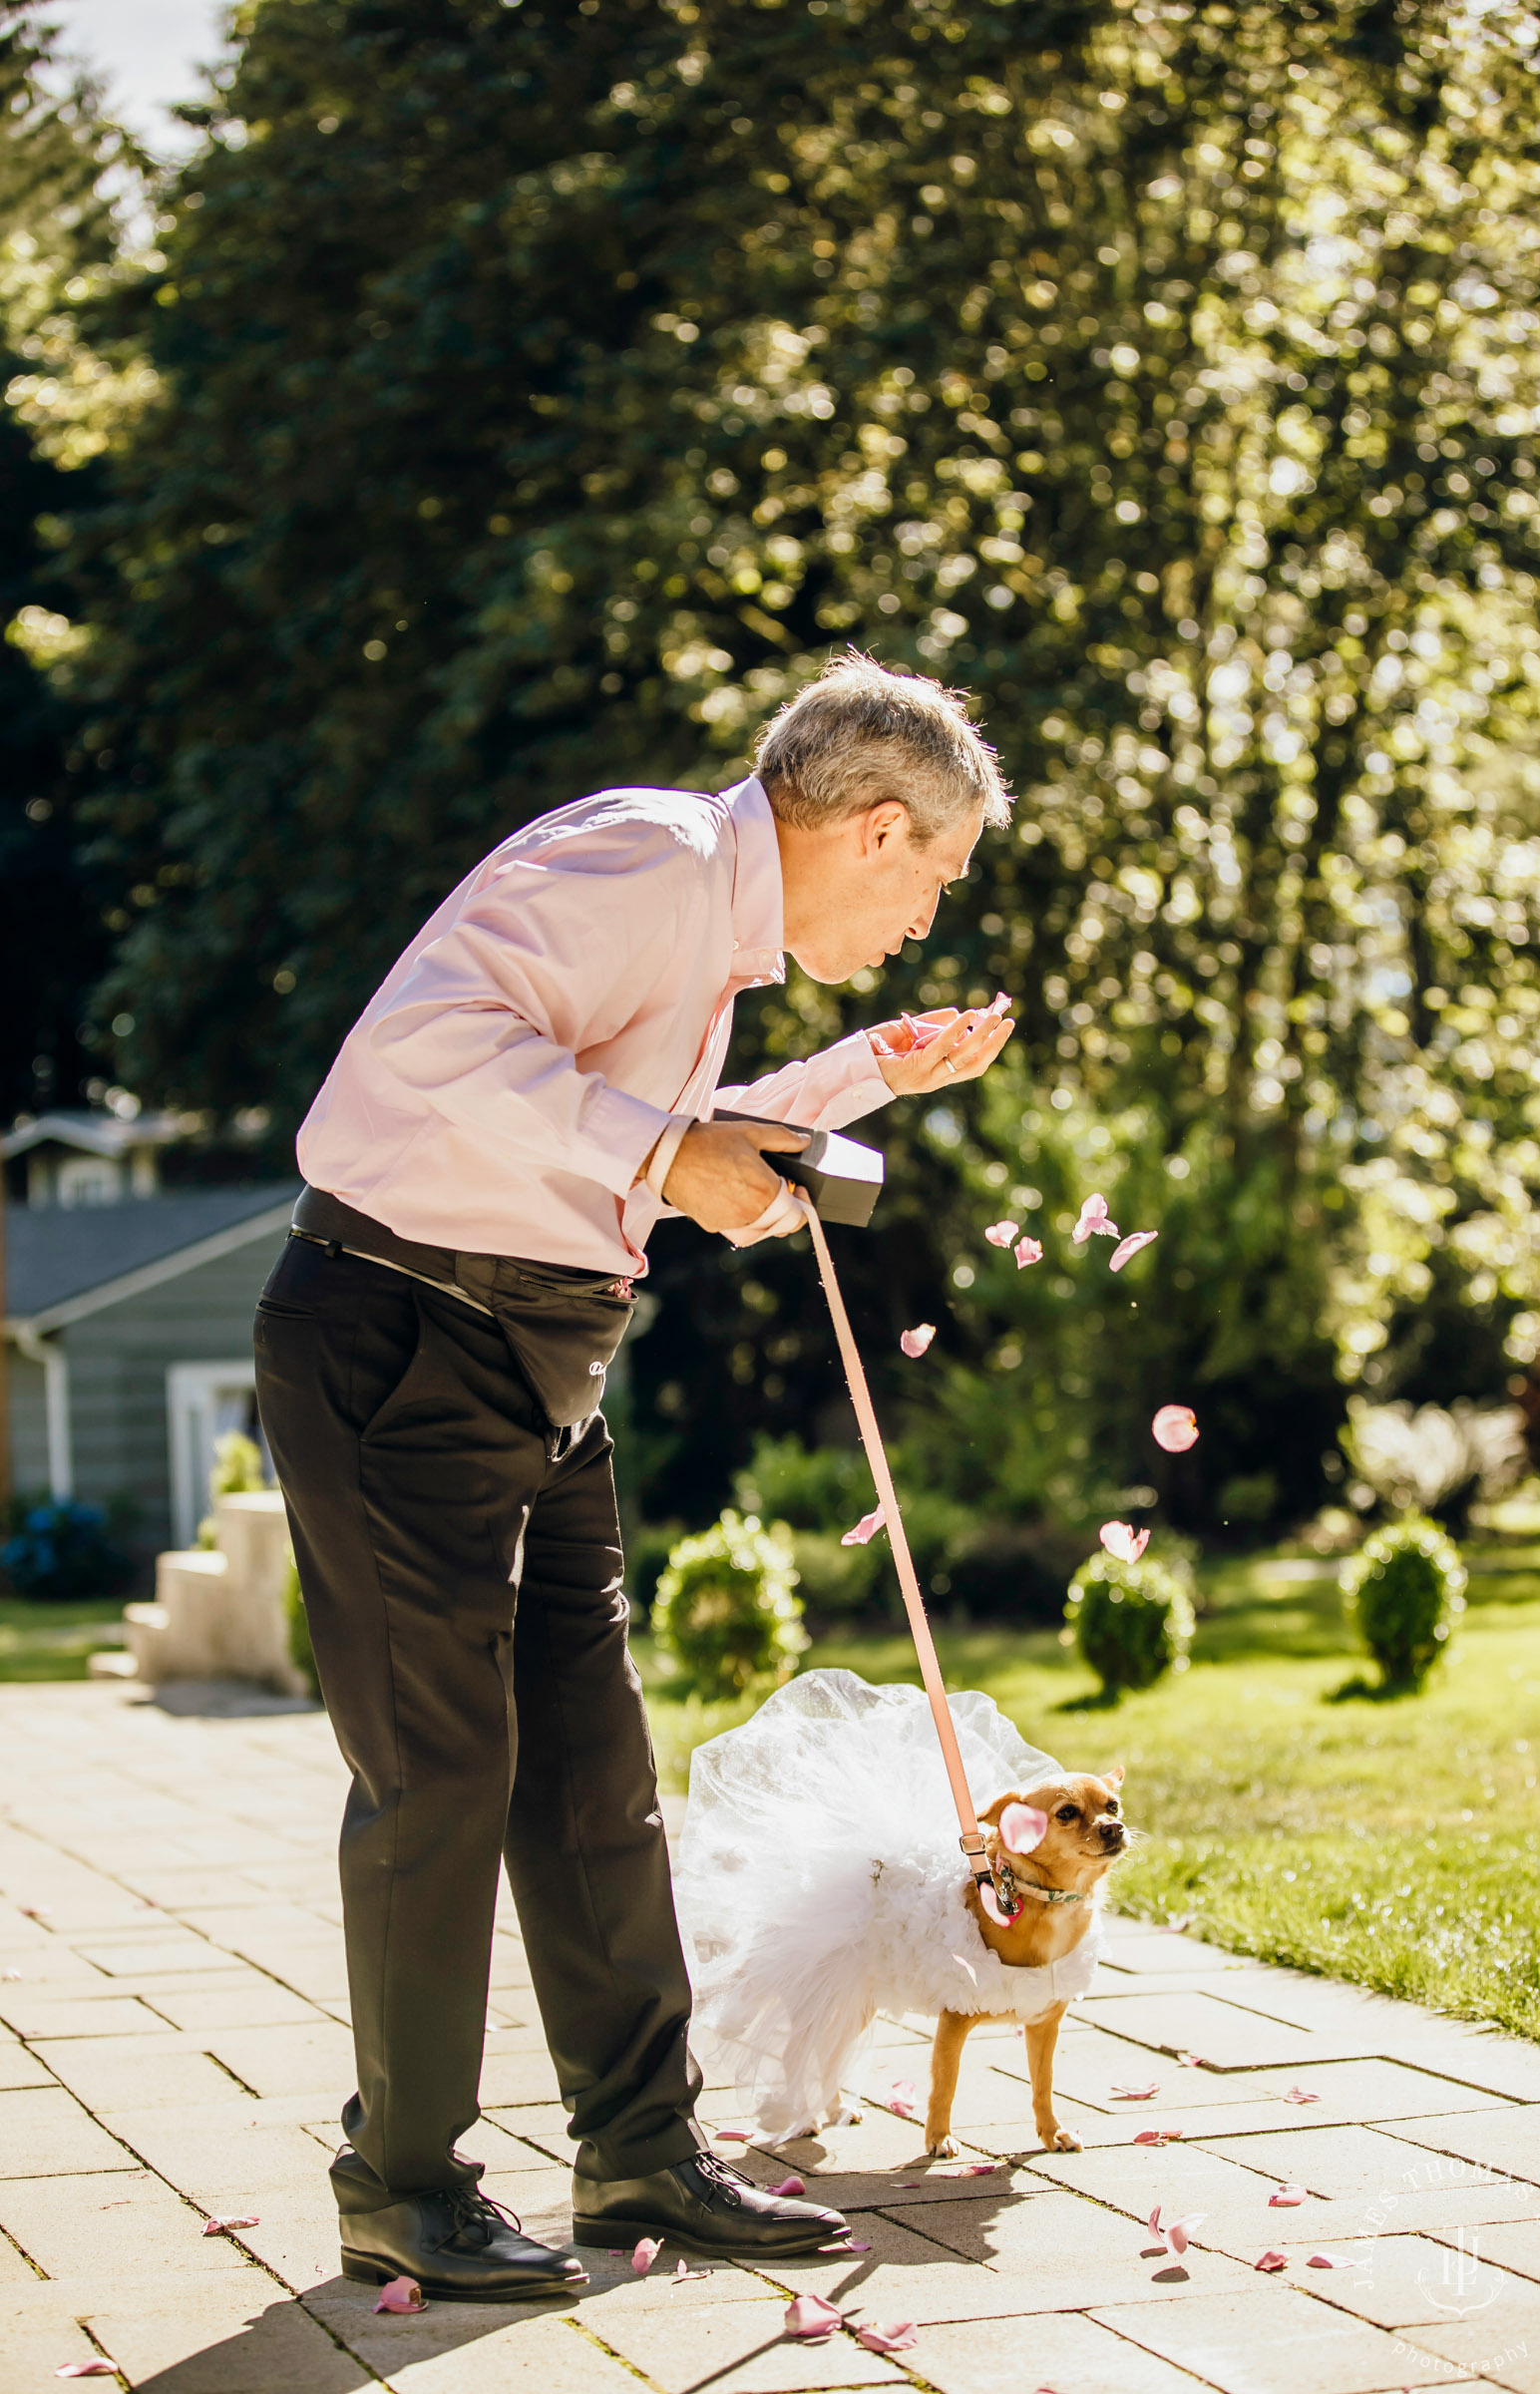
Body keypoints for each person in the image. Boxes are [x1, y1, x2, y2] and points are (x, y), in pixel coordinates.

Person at [253, 651, 1016, 2302]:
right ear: (882, 827)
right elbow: (431, 1053)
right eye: (937, 880)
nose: (926, 918)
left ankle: (640, 2152)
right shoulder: (651, 857)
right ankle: (398, 2182)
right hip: (403, 1337)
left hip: (535, 1356)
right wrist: (672, 1151)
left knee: (593, 1778)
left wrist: (858, 1076)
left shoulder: (708, 931)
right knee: (439, 1777)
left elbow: (605, 1123)